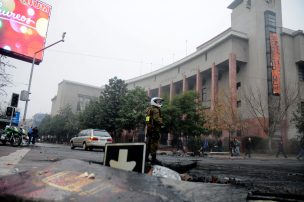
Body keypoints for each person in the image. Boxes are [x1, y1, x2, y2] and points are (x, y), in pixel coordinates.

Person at [145, 97, 163, 165]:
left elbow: (147, 119)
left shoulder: (149, 109)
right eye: (158, 102)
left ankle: (146, 158)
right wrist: (162, 123)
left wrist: (148, 124)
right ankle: (153, 160)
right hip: (155, 129)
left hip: (149, 129)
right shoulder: (155, 109)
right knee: (154, 144)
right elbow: (156, 119)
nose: (159, 103)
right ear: (154, 102)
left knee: (149, 144)